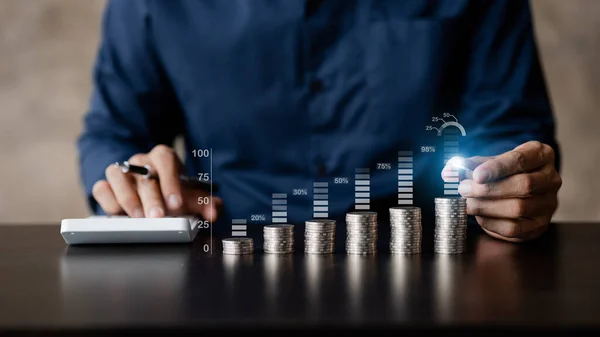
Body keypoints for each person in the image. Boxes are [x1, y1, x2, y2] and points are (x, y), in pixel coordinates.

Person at [78, 0, 562, 243]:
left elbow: (510, 134)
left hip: (433, 261)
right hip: (226, 260)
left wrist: (512, 185)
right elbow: (115, 135)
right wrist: (134, 181)